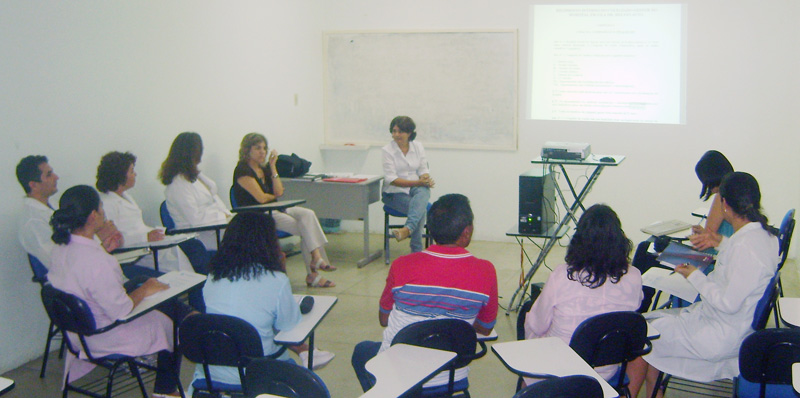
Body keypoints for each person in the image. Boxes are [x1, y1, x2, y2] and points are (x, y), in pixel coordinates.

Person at [627, 172, 780, 398]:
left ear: (725, 205)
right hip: (728, 326)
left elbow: (728, 303)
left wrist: (694, 275)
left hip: (720, 336)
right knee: (653, 323)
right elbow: (741, 265)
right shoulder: (764, 237)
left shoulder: (745, 247)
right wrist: (719, 243)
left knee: (641, 336)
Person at [46, 185, 192, 398]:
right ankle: (166, 391)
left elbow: (86, 278)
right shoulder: (95, 260)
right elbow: (121, 309)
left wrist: (104, 249)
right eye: (102, 208)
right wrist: (145, 289)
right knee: (170, 322)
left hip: (77, 335)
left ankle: (191, 319)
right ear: (93, 216)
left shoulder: (60, 249)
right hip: (104, 334)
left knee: (145, 284)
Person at [351, 193, 498, 393]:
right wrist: (452, 325)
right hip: (452, 376)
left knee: (361, 351)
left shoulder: (402, 265)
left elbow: (384, 319)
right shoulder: (486, 271)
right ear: (467, 231)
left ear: (431, 228)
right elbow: (486, 328)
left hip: (400, 374)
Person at [190, 212, 333, 393]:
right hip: (258, 372)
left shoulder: (212, 276)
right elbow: (288, 326)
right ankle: (307, 352)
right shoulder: (275, 280)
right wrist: (281, 269)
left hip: (210, 373)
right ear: (268, 242)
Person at [523, 204, 642, 384]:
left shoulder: (562, 276)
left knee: (530, 319)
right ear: (619, 239)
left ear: (579, 240)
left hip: (559, 371)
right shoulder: (633, 276)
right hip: (605, 373)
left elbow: (537, 325)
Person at [632, 150, 734, 311]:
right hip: (716, 257)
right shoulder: (736, 192)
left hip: (706, 261)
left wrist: (687, 243)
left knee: (646, 249)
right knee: (652, 246)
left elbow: (706, 241)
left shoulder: (722, 196)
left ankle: (638, 306)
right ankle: (640, 305)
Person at [232, 133, 336, 288]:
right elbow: (261, 199)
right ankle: (314, 271)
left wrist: (273, 167)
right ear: (247, 150)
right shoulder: (242, 170)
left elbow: (279, 192)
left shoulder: (264, 169)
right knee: (306, 228)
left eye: (265, 148)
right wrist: (271, 195)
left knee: (308, 215)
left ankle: (316, 259)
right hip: (258, 216)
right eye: (258, 148)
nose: (263, 152)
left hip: (275, 209)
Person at [16, 155, 127, 272]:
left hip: (93, 265)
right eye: (49, 175)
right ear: (33, 185)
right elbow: (61, 263)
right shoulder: (32, 222)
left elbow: (77, 235)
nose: (56, 177)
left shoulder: (53, 205)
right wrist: (100, 238)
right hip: (77, 279)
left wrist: (105, 236)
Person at [96, 151, 192, 273]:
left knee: (191, 248)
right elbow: (113, 240)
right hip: (136, 254)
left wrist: (154, 232)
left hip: (148, 246)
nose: (135, 174)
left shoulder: (126, 197)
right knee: (181, 263)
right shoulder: (107, 204)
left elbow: (137, 226)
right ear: (120, 176)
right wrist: (145, 236)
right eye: (131, 171)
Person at [159, 132, 231, 250]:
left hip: (216, 229)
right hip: (199, 238)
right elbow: (196, 220)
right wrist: (222, 216)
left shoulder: (195, 178)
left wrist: (226, 215)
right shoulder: (178, 185)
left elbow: (214, 199)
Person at [381, 116, 434, 253]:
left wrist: (425, 179)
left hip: (415, 189)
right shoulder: (387, 150)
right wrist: (419, 182)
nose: (396, 135)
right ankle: (416, 250)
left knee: (423, 192)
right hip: (393, 193)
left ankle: (407, 229)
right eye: (393, 131)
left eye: (400, 132)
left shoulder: (418, 146)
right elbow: (392, 179)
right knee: (419, 208)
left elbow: (423, 169)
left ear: (409, 132)